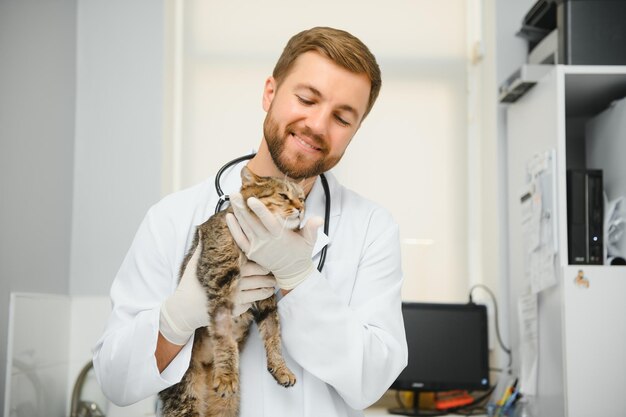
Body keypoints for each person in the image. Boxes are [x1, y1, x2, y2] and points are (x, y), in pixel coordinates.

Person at [93, 26, 408, 417]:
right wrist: (175, 320)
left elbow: (373, 380)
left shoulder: (372, 229)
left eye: (342, 118)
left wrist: (298, 280)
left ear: (355, 132)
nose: (318, 126)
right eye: (307, 98)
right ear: (270, 93)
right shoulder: (173, 217)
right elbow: (114, 378)